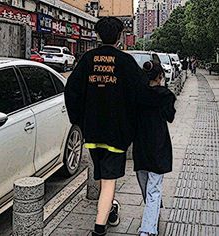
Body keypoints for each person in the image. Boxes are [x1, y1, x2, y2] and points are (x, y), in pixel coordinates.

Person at [65, 17, 158, 236]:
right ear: (119, 37)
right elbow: (142, 93)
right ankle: (99, 228)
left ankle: (111, 211)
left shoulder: (87, 59)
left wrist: (78, 120)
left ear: (98, 36)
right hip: (117, 134)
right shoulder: (125, 62)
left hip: (92, 132)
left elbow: (71, 91)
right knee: (108, 181)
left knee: (104, 177)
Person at [133, 61, 176, 236]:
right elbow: (170, 117)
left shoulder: (136, 94)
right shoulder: (166, 95)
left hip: (140, 146)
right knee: (154, 189)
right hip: (158, 146)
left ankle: (152, 215)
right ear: (160, 77)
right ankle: (148, 230)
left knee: (146, 186)